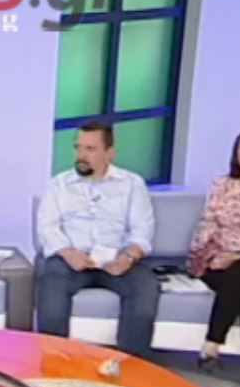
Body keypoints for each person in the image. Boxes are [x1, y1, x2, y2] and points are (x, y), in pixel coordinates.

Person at [36, 121, 160, 359]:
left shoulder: (132, 184)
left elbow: (143, 230)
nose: (81, 156)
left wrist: (128, 257)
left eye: (90, 149)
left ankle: (129, 367)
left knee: (145, 291)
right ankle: (53, 364)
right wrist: (69, 253)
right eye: (78, 148)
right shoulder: (59, 184)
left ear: (109, 153)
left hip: (118, 258)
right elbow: (47, 227)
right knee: (52, 300)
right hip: (71, 260)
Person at [186, 134, 240, 372]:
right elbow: (207, 224)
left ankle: (210, 347)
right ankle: (211, 348)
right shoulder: (221, 185)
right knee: (234, 278)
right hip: (214, 258)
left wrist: (235, 256)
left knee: (237, 275)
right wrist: (204, 257)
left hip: (236, 262)